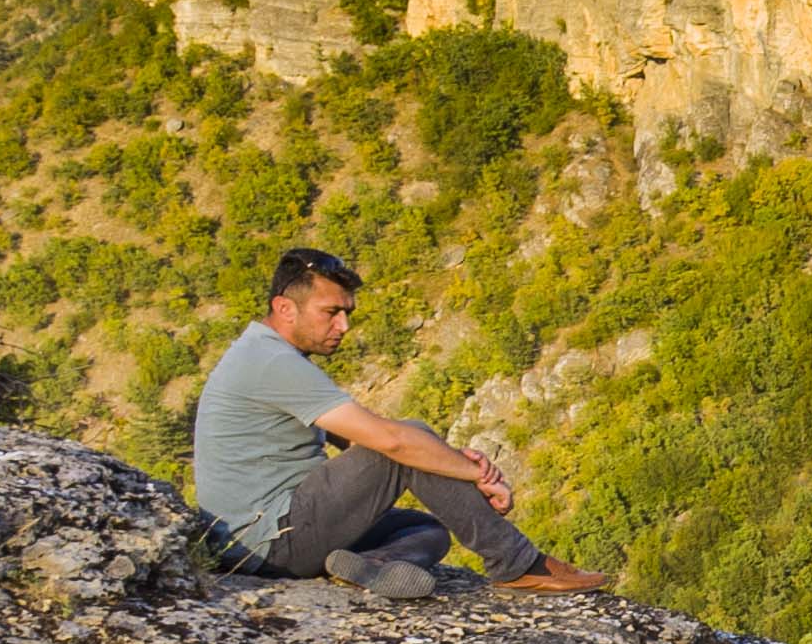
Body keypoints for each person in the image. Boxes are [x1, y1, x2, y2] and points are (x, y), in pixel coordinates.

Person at [189, 249, 609, 598]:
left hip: (265, 536)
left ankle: (371, 567)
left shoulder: (263, 353)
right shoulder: (271, 362)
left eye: (347, 313)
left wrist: (443, 459)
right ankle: (518, 563)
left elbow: (350, 437)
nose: (344, 326)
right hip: (271, 541)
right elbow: (390, 443)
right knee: (403, 443)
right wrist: (473, 473)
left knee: (426, 529)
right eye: (331, 312)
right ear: (285, 308)